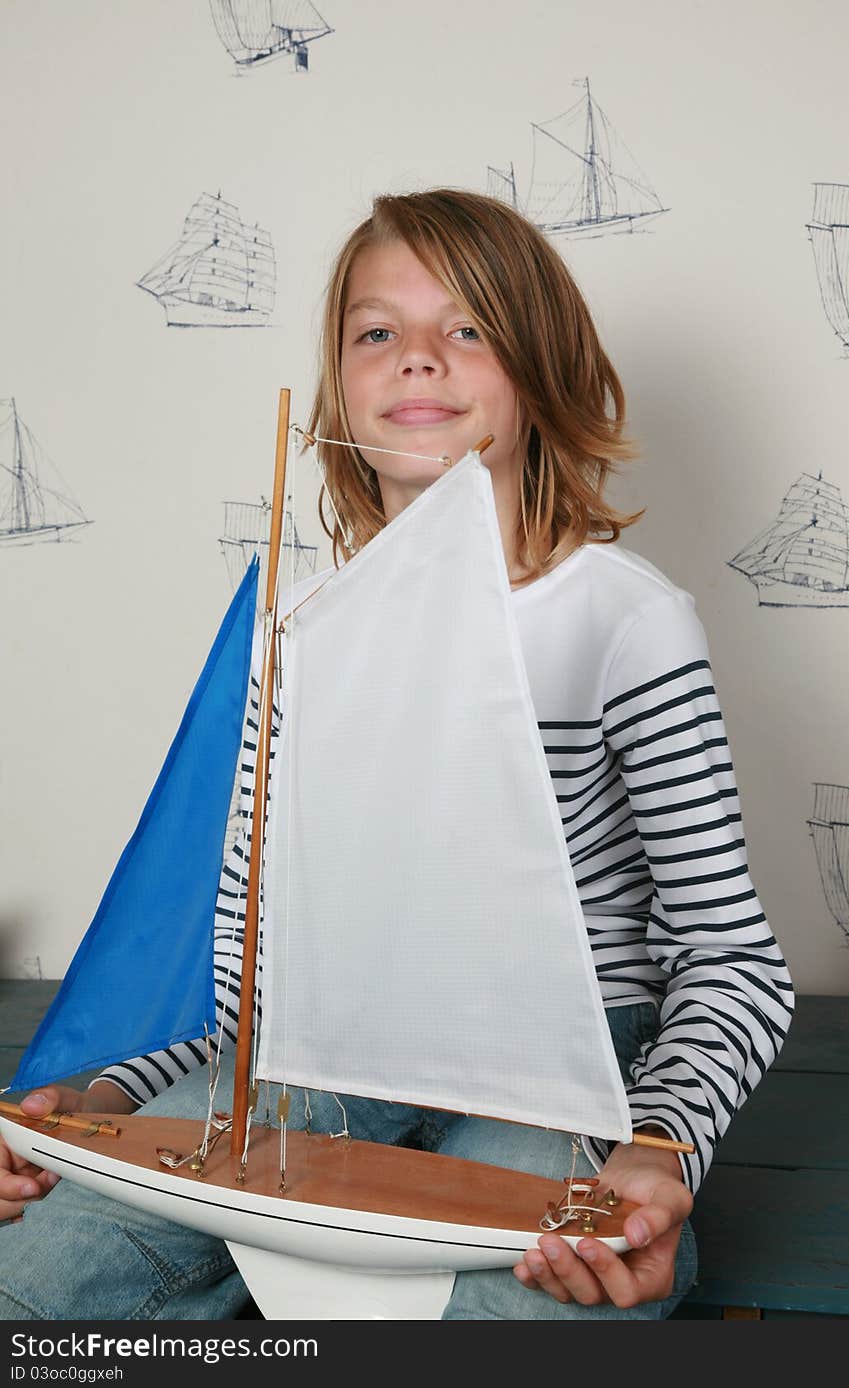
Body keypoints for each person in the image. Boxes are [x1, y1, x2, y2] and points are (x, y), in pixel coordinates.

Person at [0, 188, 794, 1321]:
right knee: (32, 1282)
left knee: (548, 1293)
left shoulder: (623, 621)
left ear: (540, 371)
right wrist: (95, 1097)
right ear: (339, 391)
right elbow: (248, 989)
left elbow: (731, 961)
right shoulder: (300, 628)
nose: (418, 360)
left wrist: (660, 1146)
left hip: (552, 1070)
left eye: (466, 329)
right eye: (378, 333)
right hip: (321, 1057)